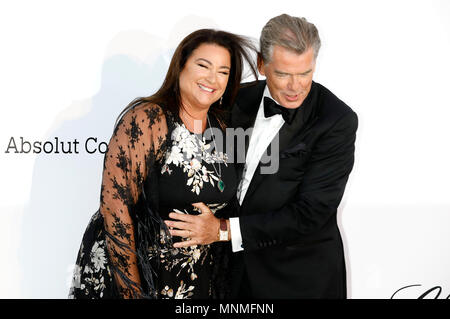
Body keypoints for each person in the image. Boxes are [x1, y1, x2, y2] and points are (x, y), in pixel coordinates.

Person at [165, 14, 358, 298]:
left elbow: (311, 213)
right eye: (283, 74)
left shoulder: (335, 120)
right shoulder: (234, 100)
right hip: (230, 276)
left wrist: (223, 230)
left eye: (305, 72)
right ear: (261, 64)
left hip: (297, 280)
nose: (295, 86)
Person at [68, 29, 257, 299]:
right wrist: (132, 292)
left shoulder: (224, 129)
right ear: (180, 66)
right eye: (203, 65)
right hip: (136, 276)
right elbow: (115, 208)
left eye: (223, 72)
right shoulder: (148, 119)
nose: (212, 78)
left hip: (193, 281)